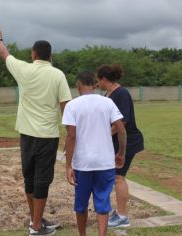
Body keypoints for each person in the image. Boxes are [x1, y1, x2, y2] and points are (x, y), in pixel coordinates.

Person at [0, 27, 72, 236]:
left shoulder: (24, 69)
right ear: (51, 56)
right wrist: (71, 135)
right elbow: (66, 107)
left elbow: (4, 53)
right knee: (42, 179)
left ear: (33, 54)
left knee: (30, 178)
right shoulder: (58, 75)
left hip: (26, 135)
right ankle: (36, 226)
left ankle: (36, 220)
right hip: (47, 136)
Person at [63, 71, 127, 236]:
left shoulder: (72, 105)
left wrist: (68, 165)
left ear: (78, 85)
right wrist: (121, 152)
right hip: (104, 162)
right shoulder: (107, 103)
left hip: (82, 164)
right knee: (102, 203)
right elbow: (121, 129)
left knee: (81, 204)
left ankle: (83, 234)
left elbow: (71, 136)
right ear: (95, 84)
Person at [95, 64, 144, 228]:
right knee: (115, 177)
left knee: (118, 177)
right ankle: (119, 213)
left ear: (103, 79)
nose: (97, 83)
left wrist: (103, 136)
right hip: (116, 141)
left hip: (127, 141)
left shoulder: (121, 93)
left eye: (98, 80)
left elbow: (122, 122)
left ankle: (122, 217)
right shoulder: (107, 93)